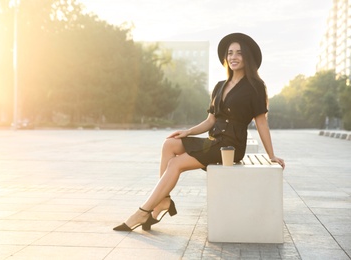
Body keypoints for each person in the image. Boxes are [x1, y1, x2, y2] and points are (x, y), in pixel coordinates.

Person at [113, 32, 285, 232]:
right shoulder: (220, 86)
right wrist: (188, 132)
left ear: (247, 57)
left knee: (176, 163)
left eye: (239, 53)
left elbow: (261, 123)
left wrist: (271, 155)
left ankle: (144, 211)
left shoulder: (255, 87)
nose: (233, 57)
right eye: (230, 53)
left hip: (230, 147)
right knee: (169, 144)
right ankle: (163, 201)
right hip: (214, 141)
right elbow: (211, 120)